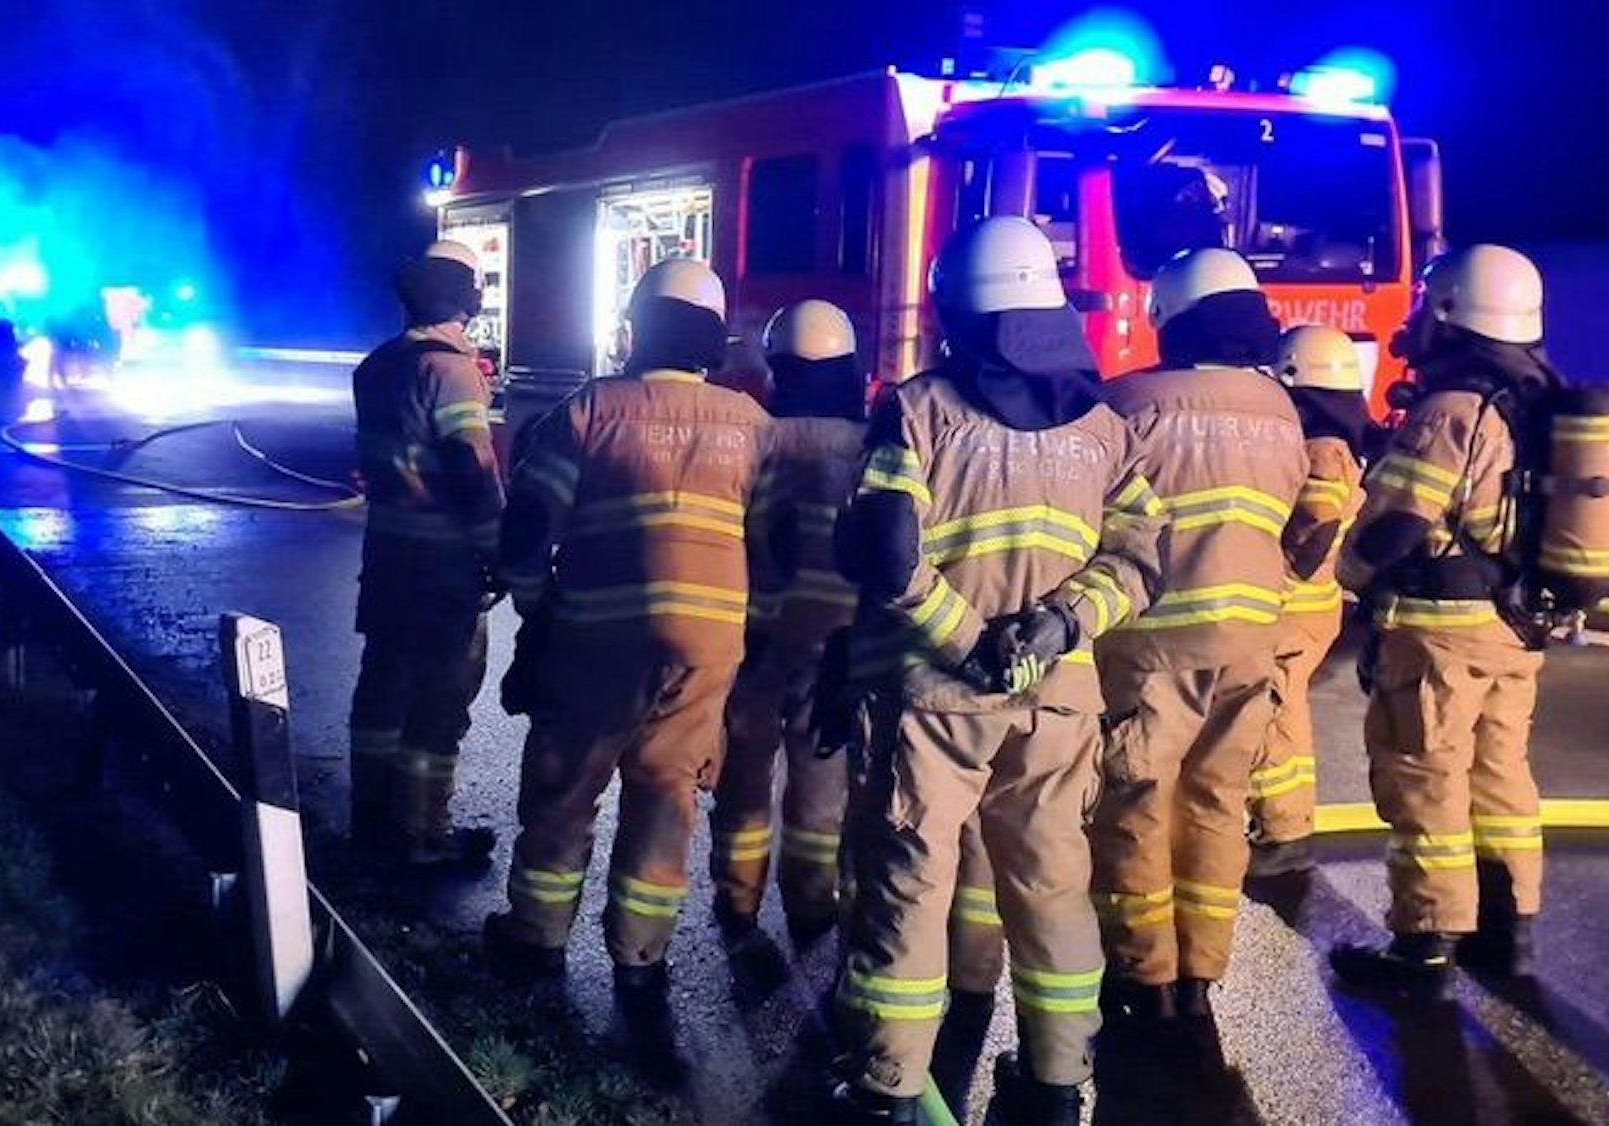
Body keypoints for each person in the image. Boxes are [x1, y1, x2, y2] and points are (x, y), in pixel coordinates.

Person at [827, 215, 1167, 1126]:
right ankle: (1057, 1086)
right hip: (1057, 701)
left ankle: (890, 1087)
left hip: (935, 698)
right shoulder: (1103, 426)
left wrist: (969, 641)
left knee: (912, 880)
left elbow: (888, 551)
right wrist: (1057, 627)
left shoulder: (919, 408)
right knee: (1053, 885)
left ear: (955, 308)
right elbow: (1139, 562)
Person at [484, 258, 787, 990]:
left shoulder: (588, 412)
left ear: (638, 329)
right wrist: (752, 634)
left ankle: (536, 938)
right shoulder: (754, 426)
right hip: (708, 648)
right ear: (713, 339)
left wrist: (536, 608)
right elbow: (775, 552)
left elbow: (526, 532)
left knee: (567, 786)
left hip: (595, 640)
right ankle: (642, 957)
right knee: (667, 792)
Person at [1330, 245, 1562, 996]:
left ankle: (1424, 950)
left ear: (1452, 311)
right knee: (1501, 780)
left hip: (1440, 632)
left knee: (1425, 779)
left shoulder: (1452, 409)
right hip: (1514, 625)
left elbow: (1397, 521)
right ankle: (1509, 933)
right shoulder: (1535, 399)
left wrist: (1348, 579)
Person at [1089, 247, 1310, 1021]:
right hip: (1252, 641)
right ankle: (1200, 975)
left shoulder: (1128, 404)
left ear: (1170, 319)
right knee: (1218, 800)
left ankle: (1143, 974)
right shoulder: (1281, 409)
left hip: (1151, 643)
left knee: (1137, 800)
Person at [709, 300, 867, 941]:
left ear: (778, 370)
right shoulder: (871, 447)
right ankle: (809, 900)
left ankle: (738, 896)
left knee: (744, 770)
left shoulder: (756, 439)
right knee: (822, 780)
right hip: (837, 644)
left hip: (757, 635)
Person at [348, 239, 502, 867]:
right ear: (466, 295)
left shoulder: (376, 366)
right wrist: (499, 552)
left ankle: (371, 816)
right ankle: (422, 832)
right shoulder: (453, 372)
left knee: (383, 690)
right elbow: (471, 466)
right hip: (443, 570)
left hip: (388, 559)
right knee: (441, 701)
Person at [1246, 325, 1371, 879]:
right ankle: (1280, 824)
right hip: (1312, 603)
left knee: (1274, 713)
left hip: (1293, 604)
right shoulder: (1340, 441)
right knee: (1279, 707)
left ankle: (1282, 831)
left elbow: (1313, 527)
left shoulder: (1321, 449)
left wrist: (1269, 560)